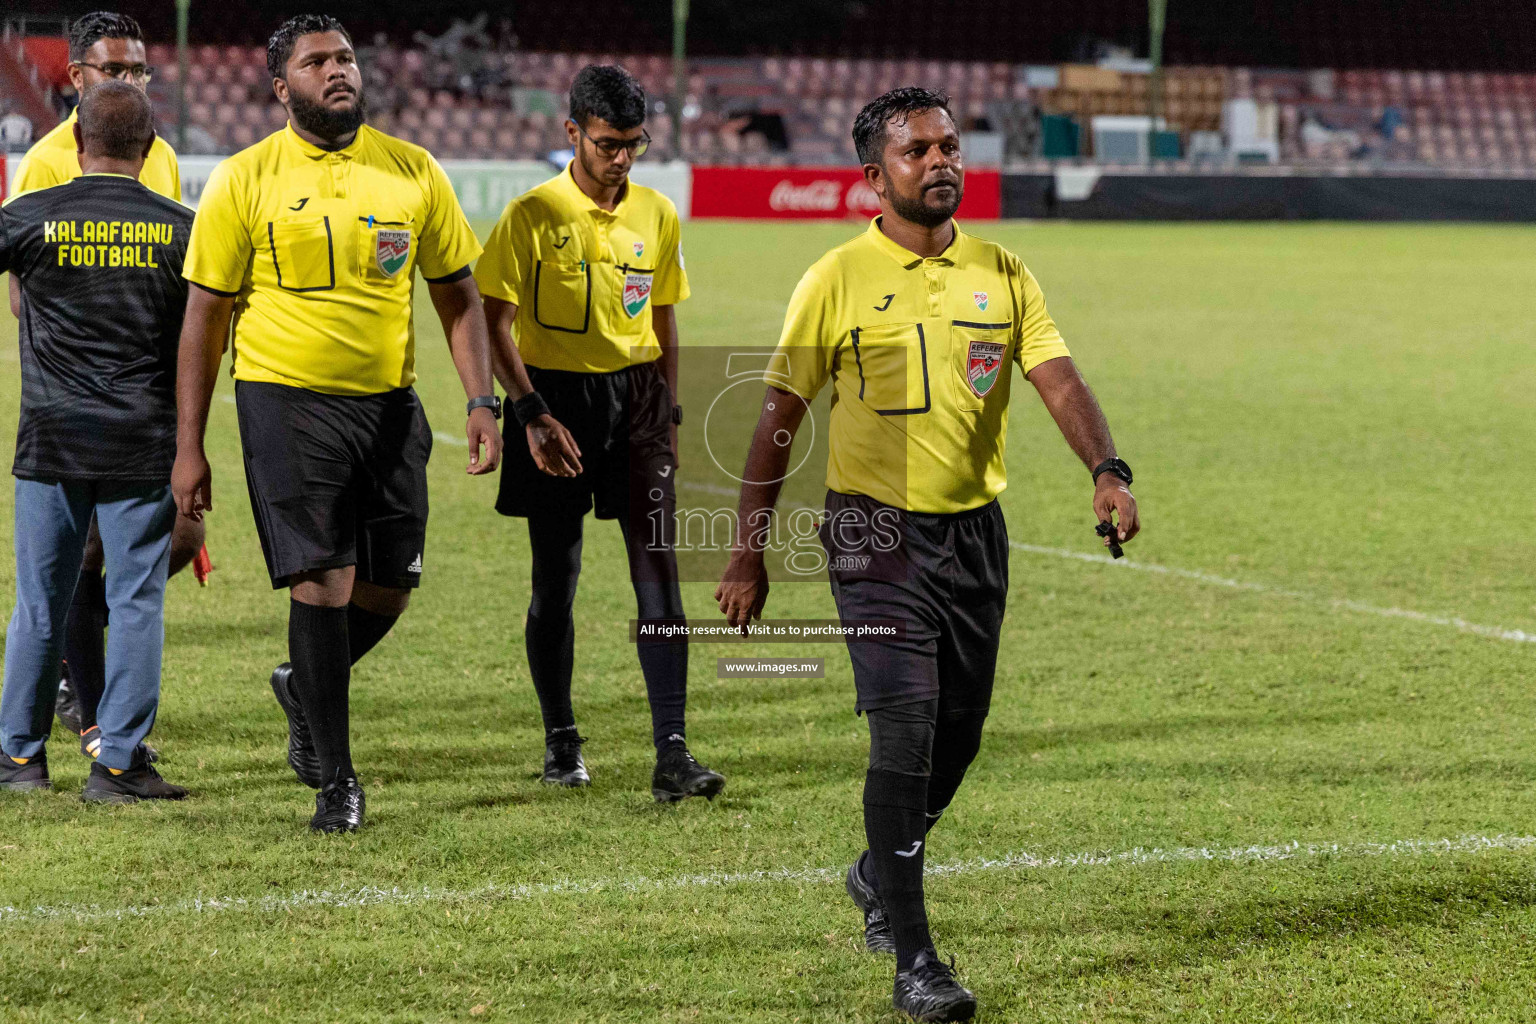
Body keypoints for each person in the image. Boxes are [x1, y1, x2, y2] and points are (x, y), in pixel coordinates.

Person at [715, 88, 1141, 1021]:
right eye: (918, 151)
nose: (942, 161)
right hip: (874, 533)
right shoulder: (834, 278)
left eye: (950, 145)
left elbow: (1057, 377)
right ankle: (916, 960)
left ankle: (876, 869)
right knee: (904, 731)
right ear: (874, 175)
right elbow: (777, 421)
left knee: (959, 738)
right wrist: (748, 552)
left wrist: (1106, 468)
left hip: (975, 534)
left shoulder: (1004, 271)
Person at [172, 14, 503, 833]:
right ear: (281, 87)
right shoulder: (245, 179)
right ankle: (338, 782)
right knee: (325, 580)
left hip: (390, 405)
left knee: (390, 587)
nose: (338, 70)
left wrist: (481, 400)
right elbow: (203, 321)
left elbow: (457, 297)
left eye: (346, 56)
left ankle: (301, 685)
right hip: (285, 399)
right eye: (317, 61)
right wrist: (188, 446)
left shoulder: (412, 170)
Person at [474, 64, 724, 801]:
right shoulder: (530, 215)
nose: (621, 159)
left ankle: (673, 752)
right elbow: (493, 322)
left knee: (661, 577)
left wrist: (670, 412)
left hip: (639, 401)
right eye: (609, 143)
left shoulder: (656, 213)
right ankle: (561, 741)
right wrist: (529, 412)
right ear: (572, 132)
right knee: (558, 583)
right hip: (554, 405)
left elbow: (665, 317)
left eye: (634, 145)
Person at [7, 10, 209, 761]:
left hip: (72, 426)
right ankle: (111, 744)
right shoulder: (171, 216)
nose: (125, 78)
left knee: (52, 595)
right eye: (113, 70)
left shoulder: (52, 203)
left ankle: (24, 751)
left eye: (135, 69)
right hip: (128, 425)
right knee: (123, 595)